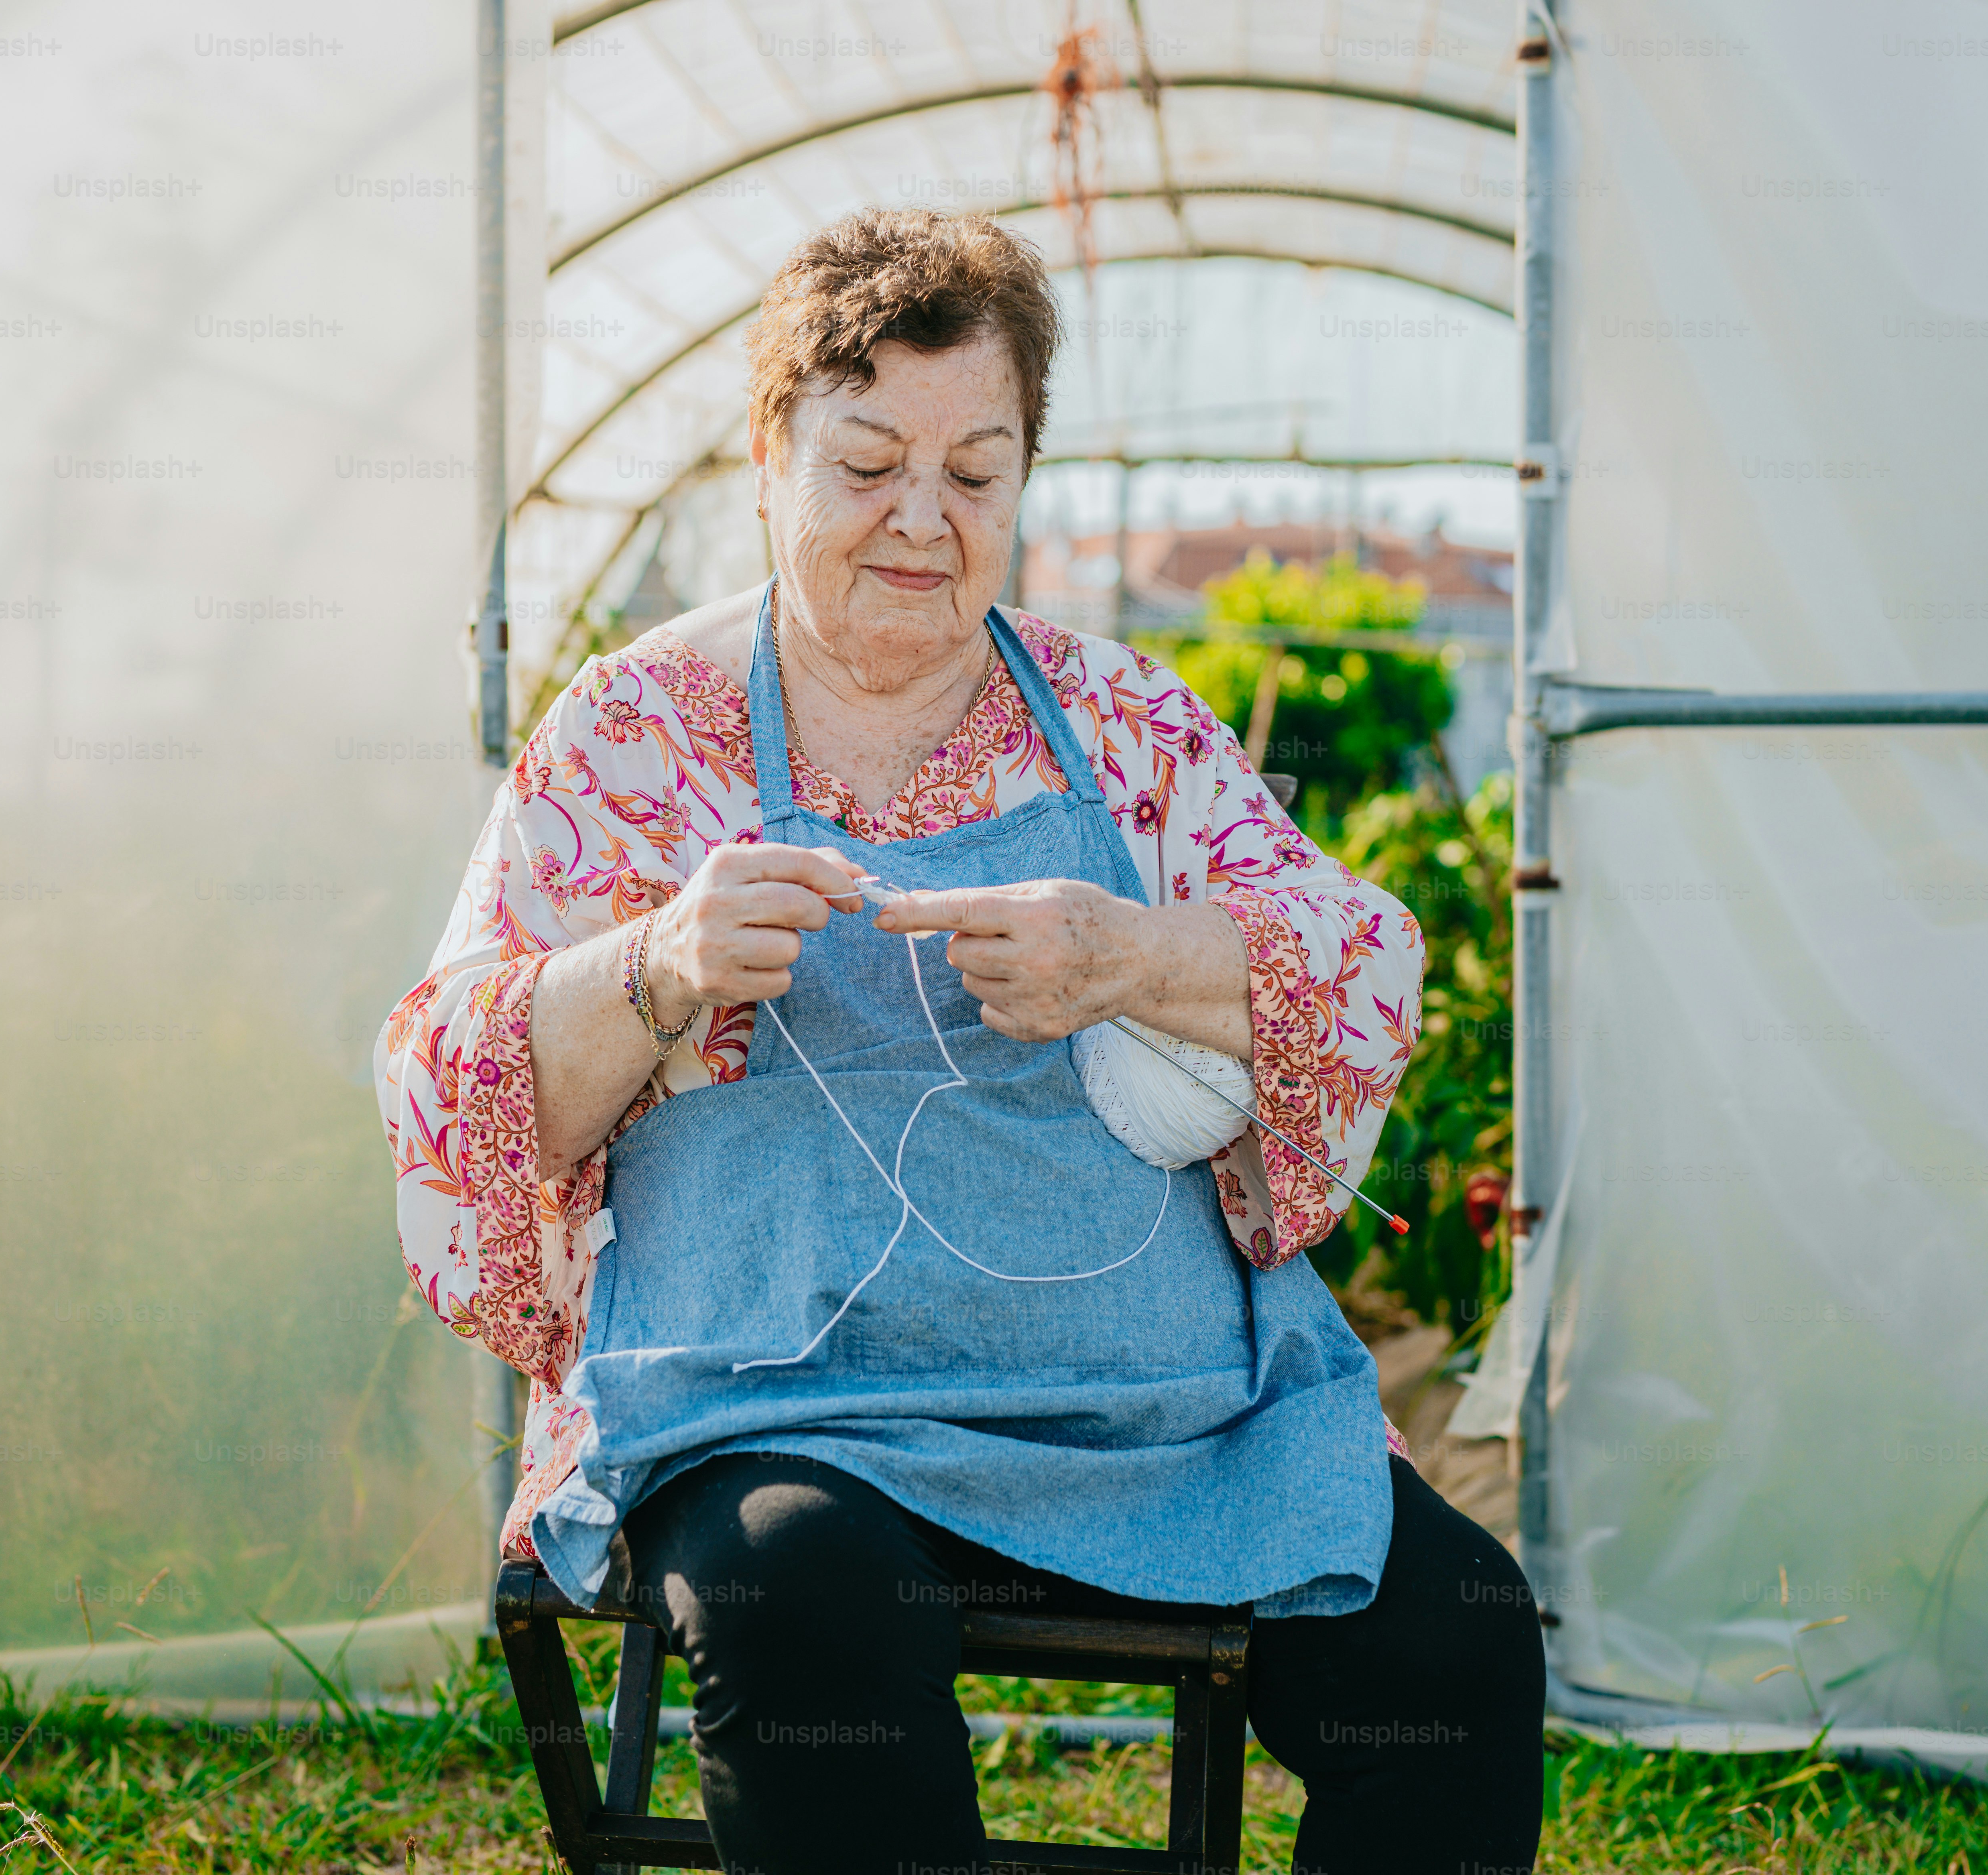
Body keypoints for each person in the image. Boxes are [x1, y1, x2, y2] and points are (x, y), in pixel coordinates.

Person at [377, 206, 1543, 1874]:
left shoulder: (1127, 725)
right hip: (788, 1419)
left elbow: (1359, 966)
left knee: (1457, 1639)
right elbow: (450, 1083)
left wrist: (1134, 953)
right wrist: (658, 961)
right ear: (770, 454)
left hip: (1157, 1411)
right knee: (797, 1605)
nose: (923, 519)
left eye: (977, 474)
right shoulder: (634, 738)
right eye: (866, 464)